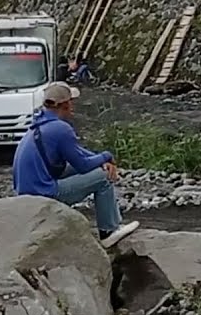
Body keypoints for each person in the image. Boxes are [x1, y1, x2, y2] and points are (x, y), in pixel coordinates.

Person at [12, 82, 138, 247]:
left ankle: (113, 224)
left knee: (98, 167)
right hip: (43, 195)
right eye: (71, 101)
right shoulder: (61, 128)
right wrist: (106, 156)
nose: (73, 105)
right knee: (103, 178)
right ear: (65, 104)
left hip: (27, 194)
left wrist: (101, 160)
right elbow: (82, 165)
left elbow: (78, 153)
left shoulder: (40, 124)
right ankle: (109, 231)